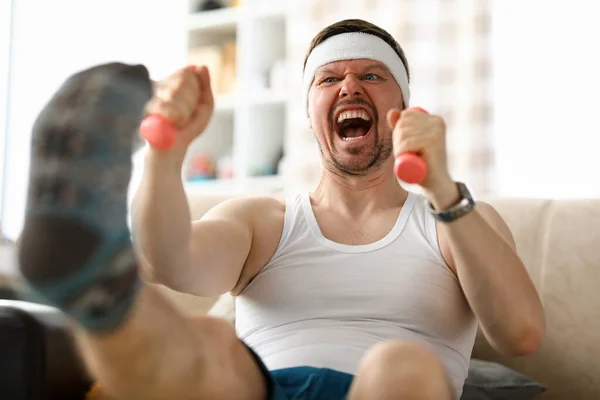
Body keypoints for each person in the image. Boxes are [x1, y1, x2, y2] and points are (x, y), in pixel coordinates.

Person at [17, 19, 545, 400]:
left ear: (402, 106)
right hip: (260, 388)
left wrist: (443, 187)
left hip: (393, 388)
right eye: (328, 78)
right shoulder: (263, 221)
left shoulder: (454, 218)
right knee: (212, 342)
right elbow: (165, 262)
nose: (349, 86)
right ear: (312, 113)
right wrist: (168, 149)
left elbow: (520, 332)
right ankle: (97, 287)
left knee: (400, 365)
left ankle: (102, 298)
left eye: (372, 75)